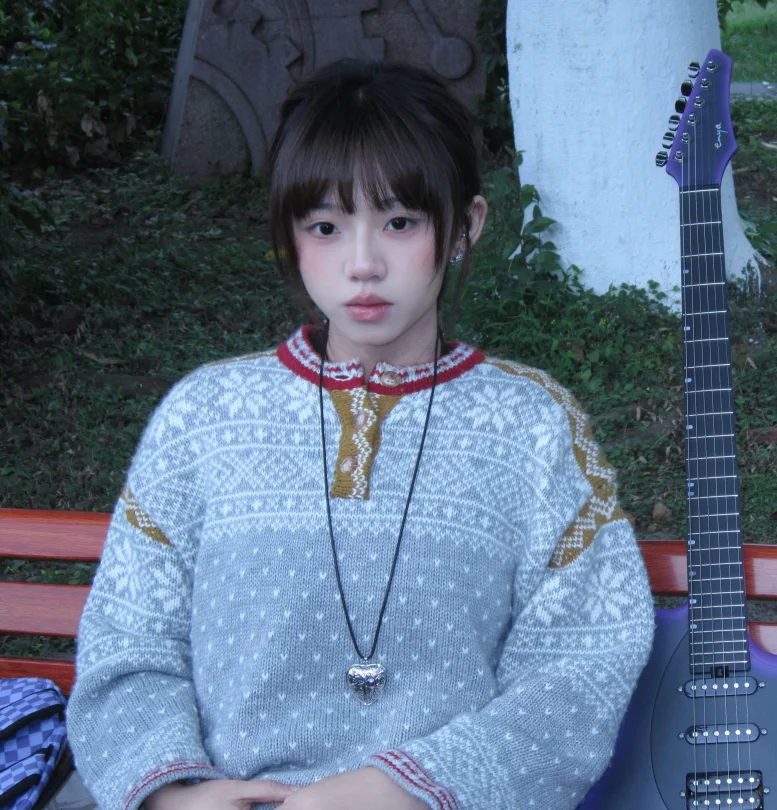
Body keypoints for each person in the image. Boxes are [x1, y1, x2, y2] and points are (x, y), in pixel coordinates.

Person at [67, 60, 655, 810]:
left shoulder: (534, 428)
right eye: (325, 227)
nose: (363, 264)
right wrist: (171, 794)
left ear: (465, 226)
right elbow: (128, 643)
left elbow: (580, 661)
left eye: (400, 222)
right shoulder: (203, 418)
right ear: (289, 235)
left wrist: (410, 788)